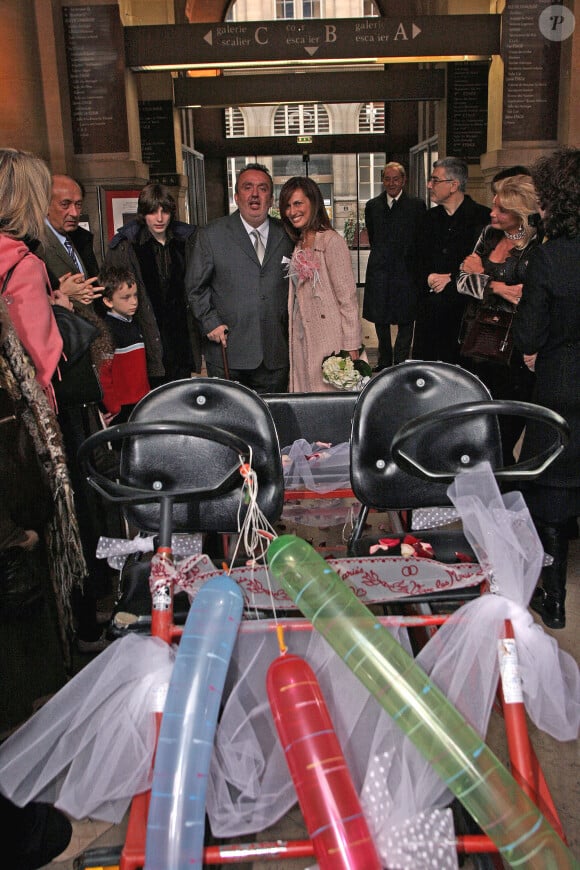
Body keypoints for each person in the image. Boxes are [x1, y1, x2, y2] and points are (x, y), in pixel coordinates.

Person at [0, 148, 86, 678]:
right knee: (38, 541)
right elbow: (42, 356)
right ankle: (49, 668)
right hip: (20, 433)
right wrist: (59, 308)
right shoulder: (23, 263)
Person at [513, 147, 580, 630]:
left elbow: (528, 337)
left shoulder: (550, 258)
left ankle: (553, 600)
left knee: (553, 492)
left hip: (559, 390)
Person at [187, 163, 293, 393]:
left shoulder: (288, 234)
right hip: (229, 351)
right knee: (231, 423)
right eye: (247, 187)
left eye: (262, 188)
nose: (255, 194)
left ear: (272, 199)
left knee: (273, 421)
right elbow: (195, 288)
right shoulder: (211, 235)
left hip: (275, 352)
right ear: (237, 196)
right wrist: (210, 322)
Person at [456, 174, 540, 462]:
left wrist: (483, 275)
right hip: (476, 344)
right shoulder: (489, 234)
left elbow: (527, 297)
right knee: (480, 433)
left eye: (501, 210)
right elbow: (461, 281)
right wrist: (498, 287)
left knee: (503, 438)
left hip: (512, 354)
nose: (492, 213)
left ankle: (506, 498)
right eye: (493, 206)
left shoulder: (536, 247)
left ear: (521, 214)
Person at [106, 182, 199, 386]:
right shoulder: (126, 245)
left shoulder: (187, 240)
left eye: (164, 211)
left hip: (180, 336)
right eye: (152, 212)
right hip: (146, 336)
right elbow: (111, 292)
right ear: (142, 213)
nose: (159, 218)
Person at [279, 176, 363, 392]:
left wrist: (351, 346)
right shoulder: (298, 243)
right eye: (287, 206)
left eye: (298, 203)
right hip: (301, 336)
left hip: (329, 339)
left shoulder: (331, 241)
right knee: (306, 400)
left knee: (329, 402)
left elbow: (348, 299)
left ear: (313, 203)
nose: (292, 211)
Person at [412, 157, 491, 363]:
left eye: (435, 180)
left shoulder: (483, 219)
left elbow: (488, 266)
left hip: (464, 317)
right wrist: (428, 277)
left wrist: (453, 278)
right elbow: (411, 259)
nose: (430, 185)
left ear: (454, 185)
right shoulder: (426, 219)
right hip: (430, 317)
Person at [363, 162, 426, 369]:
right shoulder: (373, 206)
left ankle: (400, 362)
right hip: (380, 270)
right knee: (380, 318)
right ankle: (384, 360)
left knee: (407, 319)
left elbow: (420, 239)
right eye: (387, 179)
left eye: (395, 179)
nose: (391, 183)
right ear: (383, 181)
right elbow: (373, 236)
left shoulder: (416, 206)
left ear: (404, 180)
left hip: (406, 272)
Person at [98, 265, 150, 424]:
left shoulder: (134, 323)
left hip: (140, 400)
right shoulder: (106, 331)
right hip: (121, 408)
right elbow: (103, 374)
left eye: (135, 296)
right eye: (126, 298)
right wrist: (113, 408)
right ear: (108, 301)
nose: (134, 302)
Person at [43, 173, 103, 306]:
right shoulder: (36, 244)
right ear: (45, 205)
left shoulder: (80, 239)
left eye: (78, 205)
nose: (74, 213)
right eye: (65, 204)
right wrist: (61, 292)